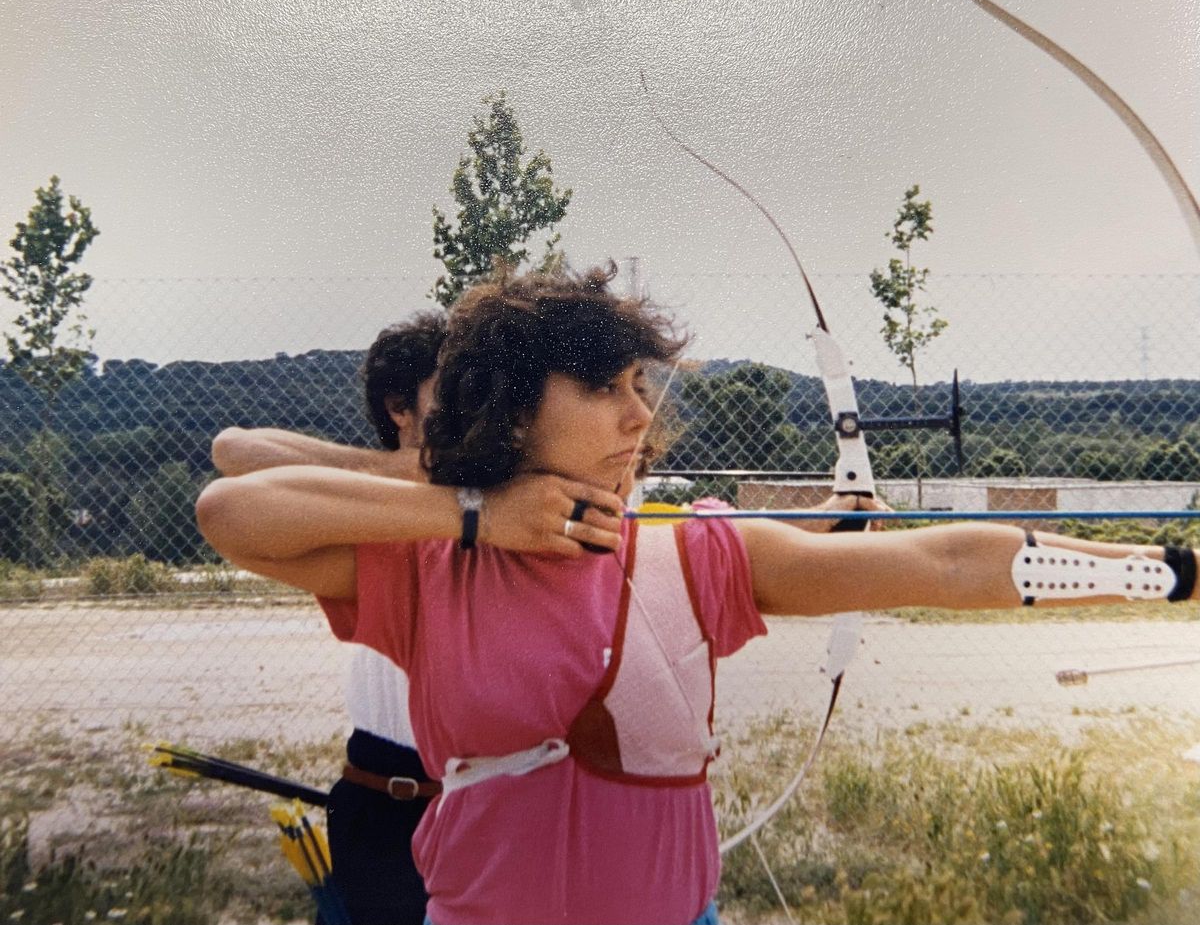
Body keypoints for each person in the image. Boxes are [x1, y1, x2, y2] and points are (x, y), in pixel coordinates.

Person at [197, 267, 1196, 925]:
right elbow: (232, 505)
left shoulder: (694, 552)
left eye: (641, 382)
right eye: (604, 386)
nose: (640, 410)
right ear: (513, 405)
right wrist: (473, 508)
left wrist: (1166, 570)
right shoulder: (430, 565)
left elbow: (936, 563)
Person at [212, 311, 446, 925]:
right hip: (381, 793)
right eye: (456, 391)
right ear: (401, 406)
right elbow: (232, 453)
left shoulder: (500, 502)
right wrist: (410, 472)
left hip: (479, 795)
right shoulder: (362, 510)